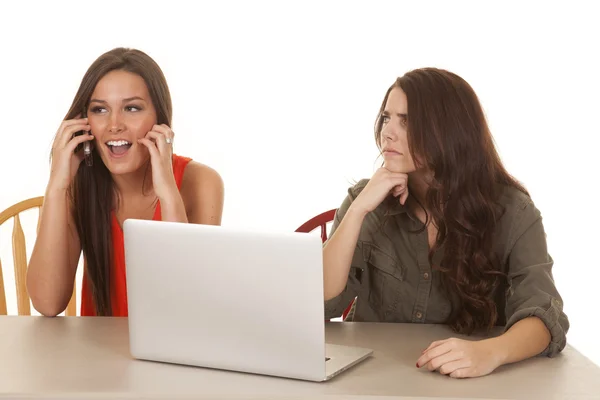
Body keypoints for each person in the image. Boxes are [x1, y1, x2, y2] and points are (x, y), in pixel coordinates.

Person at [323, 67, 569, 378]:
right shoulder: (366, 199)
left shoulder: (513, 212)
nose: (387, 132)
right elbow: (321, 303)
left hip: (470, 384)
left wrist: (490, 352)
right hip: (372, 378)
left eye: (406, 121)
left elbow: (546, 316)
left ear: (448, 131)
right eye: (386, 117)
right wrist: (358, 210)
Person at [27, 47, 224, 317]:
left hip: (169, 354)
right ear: (85, 123)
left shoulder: (202, 182)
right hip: (96, 354)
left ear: (160, 120)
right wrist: (57, 185)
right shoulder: (77, 186)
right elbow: (48, 303)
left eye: (132, 108)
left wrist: (167, 191)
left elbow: (191, 305)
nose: (114, 125)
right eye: (100, 110)